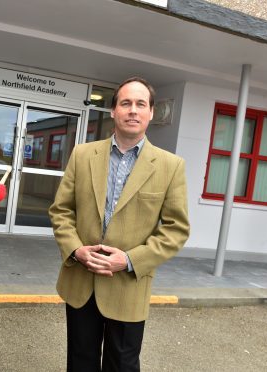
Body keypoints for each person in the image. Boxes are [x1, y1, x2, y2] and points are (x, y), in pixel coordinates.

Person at [49, 77, 190, 371]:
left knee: (123, 365)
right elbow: (61, 211)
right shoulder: (83, 154)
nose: (133, 110)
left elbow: (176, 229)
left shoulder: (170, 166)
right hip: (81, 283)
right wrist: (76, 250)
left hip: (128, 285)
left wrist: (128, 260)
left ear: (152, 112)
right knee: (80, 362)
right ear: (113, 111)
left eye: (141, 104)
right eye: (125, 103)